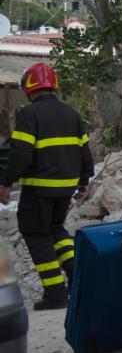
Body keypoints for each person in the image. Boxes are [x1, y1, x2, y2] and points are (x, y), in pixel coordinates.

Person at [0, 63, 93, 310]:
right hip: (65, 189)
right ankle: (78, 278)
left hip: (38, 189)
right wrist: (85, 181)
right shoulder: (71, 114)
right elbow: (85, 151)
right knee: (56, 230)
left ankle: (55, 294)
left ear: (28, 88)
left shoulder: (30, 115)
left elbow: (20, 152)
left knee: (36, 235)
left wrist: (7, 182)